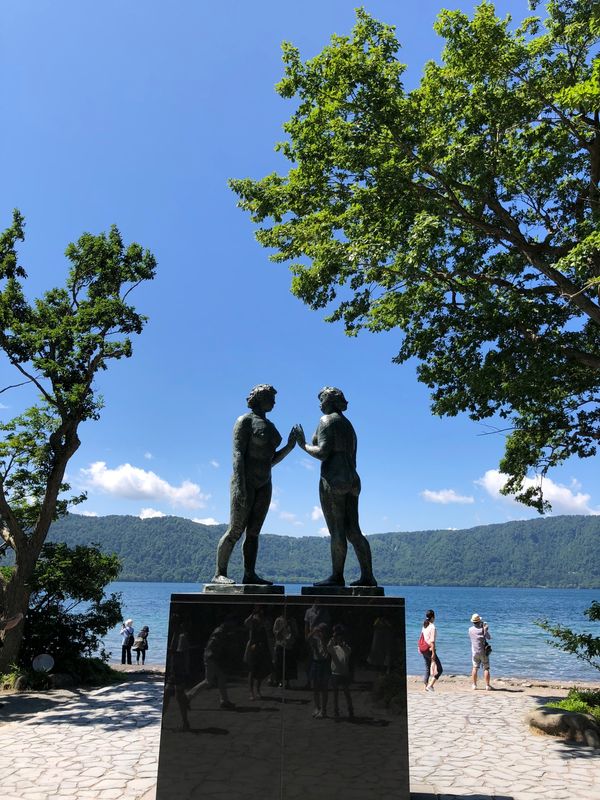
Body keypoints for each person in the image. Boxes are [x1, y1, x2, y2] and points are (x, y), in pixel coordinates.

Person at [212, 384, 296, 585]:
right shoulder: (245, 421)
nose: (274, 402)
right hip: (245, 481)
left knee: (254, 532)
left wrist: (290, 446)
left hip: (264, 483)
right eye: (270, 397)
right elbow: (238, 453)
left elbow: (270, 460)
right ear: (259, 399)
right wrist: (240, 483)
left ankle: (249, 574)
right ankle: (219, 573)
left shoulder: (271, 427)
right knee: (235, 529)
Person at [295, 387, 377, 587]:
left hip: (334, 479)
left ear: (330, 401)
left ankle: (337, 576)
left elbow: (323, 452)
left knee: (337, 531)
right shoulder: (348, 425)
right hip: (352, 479)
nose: (320, 404)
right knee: (354, 530)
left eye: (322, 399)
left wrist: (302, 444)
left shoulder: (327, 421)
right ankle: (368, 576)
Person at [187, 616, 237, 710]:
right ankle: (188, 697)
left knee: (220, 678)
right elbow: (214, 646)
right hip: (211, 657)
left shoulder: (222, 631)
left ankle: (224, 701)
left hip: (212, 657)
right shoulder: (220, 632)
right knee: (209, 681)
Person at [244, 606, 273, 700]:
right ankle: (251, 692)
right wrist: (252, 614)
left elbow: (268, 628)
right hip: (253, 647)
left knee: (261, 671)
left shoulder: (265, 622)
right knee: (252, 671)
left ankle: (258, 690)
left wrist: (262, 620)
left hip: (262, 647)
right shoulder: (252, 621)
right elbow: (246, 623)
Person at [327, 624, 354, 718]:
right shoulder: (334, 648)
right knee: (335, 694)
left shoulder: (347, 648)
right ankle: (336, 711)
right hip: (335, 673)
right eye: (338, 638)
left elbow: (348, 652)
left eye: (341, 638)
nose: (340, 640)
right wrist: (333, 638)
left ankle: (350, 709)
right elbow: (328, 647)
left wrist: (344, 645)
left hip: (344, 673)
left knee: (346, 692)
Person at [307, 623, 331, 718]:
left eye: (321, 631)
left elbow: (327, 652)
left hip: (324, 663)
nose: (320, 632)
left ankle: (324, 710)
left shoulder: (328, 640)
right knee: (315, 688)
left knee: (324, 688)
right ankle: (317, 707)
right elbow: (307, 639)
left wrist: (322, 639)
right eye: (319, 631)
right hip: (316, 662)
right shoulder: (315, 639)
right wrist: (313, 631)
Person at [273, 613, 299, 688]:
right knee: (280, 664)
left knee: (289, 665)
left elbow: (296, 634)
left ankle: (288, 682)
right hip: (281, 644)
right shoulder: (278, 620)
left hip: (289, 645)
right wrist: (284, 626)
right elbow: (276, 634)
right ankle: (280, 681)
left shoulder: (293, 620)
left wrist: (290, 626)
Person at [420, 609, 443, 692]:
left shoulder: (424, 625)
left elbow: (421, 637)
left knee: (427, 667)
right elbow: (432, 641)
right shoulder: (432, 626)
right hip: (429, 649)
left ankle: (426, 687)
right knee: (440, 669)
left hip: (423, 649)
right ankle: (430, 685)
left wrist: (419, 647)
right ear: (433, 617)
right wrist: (433, 653)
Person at [469, 613, 492, 690]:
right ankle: (487, 685)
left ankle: (474, 685)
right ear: (479, 621)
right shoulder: (482, 629)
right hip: (483, 652)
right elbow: (489, 637)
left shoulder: (470, 630)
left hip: (475, 652)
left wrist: (482, 628)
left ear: (473, 622)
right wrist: (485, 629)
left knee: (475, 668)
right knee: (486, 668)